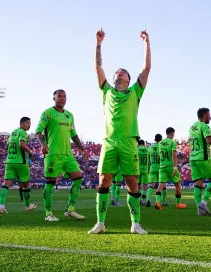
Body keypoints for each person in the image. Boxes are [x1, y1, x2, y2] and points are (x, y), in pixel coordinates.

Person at [88, 28, 151, 235]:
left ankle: (135, 224)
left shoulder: (135, 92)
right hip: (109, 141)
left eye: (122, 72)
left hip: (129, 141)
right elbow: (97, 66)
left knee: (132, 182)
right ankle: (100, 222)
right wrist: (98, 44)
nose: (119, 73)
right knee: (103, 180)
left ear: (128, 78)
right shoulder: (105, 91)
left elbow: (146, 68)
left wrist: (146, 44)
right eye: (117, 72)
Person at [35, 89, 88, 222]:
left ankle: (70, 209)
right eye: (60, 96)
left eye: (64, 97)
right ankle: (48, 213)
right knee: (50, 183)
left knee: (78, 178)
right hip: (53, 153)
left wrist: (82, 148)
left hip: (68, 155)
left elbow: (74, 134)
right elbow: (38, 131)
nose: (62, 99)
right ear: (54, 98)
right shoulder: (48, 113)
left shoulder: (69, 115)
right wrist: (42, 144)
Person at [0, 117, 38, 214]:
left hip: (9, 161)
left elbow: (7, 146)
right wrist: (30, 152)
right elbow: (21, 145)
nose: (29, 125)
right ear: (22, 123)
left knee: (6, 185)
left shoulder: (13, 132)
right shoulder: (23, 132)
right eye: (28, 123)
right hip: (20, 162)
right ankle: (28, 205)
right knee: (26, 184)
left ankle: (1, 207)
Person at [154, 127, 186, 210]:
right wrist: (175, 167)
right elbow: (174, 155)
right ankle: (178, 204)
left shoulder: (160, 143)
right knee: (178, 184)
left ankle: (157, 202)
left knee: (160, 186)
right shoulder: (172, 142)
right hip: (170, 166)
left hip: (162, 167)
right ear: (172, 133)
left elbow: (158, 155)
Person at [145, 134, 162, 207]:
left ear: (155, 139)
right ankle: (160, 201)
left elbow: (148, 160)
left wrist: (148, 170)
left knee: (151, 185)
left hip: (152, 167)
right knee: (162, 185)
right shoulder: (161, 147)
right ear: (161, 139)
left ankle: (148, 199)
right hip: (161, 168)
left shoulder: (150, 148)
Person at [137, 140, 150, 205]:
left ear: (138, 144)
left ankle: (138, 199)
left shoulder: (137, 149)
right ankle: (144, 199)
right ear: (144, 144)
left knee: (138, 184)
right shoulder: (147, 149)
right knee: (144, 185)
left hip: (138, 170)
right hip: (145, 169)